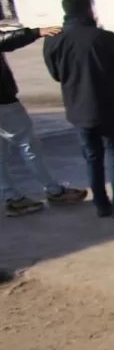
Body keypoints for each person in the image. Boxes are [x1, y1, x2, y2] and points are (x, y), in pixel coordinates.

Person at [44, 0, 114, 219]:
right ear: (88, 10)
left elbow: (56, 74)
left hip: (78, 108)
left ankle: (101, 204)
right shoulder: (103, 37)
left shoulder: (53, 40)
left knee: (92, 158)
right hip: (110, 107)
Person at [2, 25, 88, 217]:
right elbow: (4, 40)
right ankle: (53, 190)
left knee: (2, 153)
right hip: (3, 103)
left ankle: (12, 198)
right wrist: (34, 32)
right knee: (29, 146)